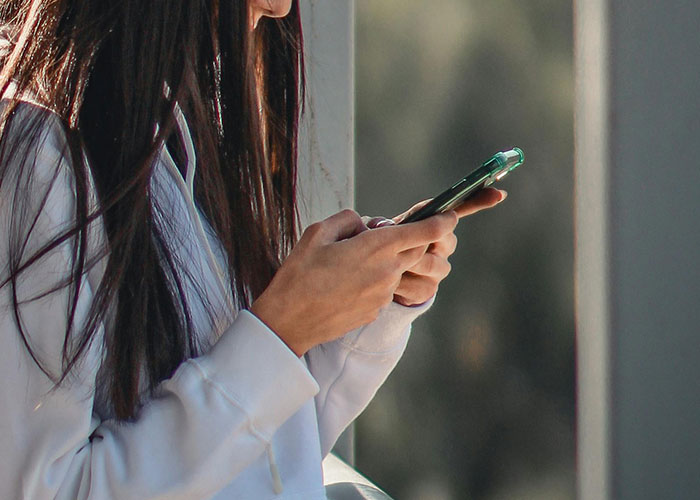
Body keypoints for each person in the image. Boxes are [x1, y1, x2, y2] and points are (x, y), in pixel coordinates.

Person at [0, 0, 506, 498]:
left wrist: (357, 303)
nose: (280, 7)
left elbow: (263, 460)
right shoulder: (36, 160)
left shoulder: (172, 134)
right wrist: (280, 333)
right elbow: (47, 489)